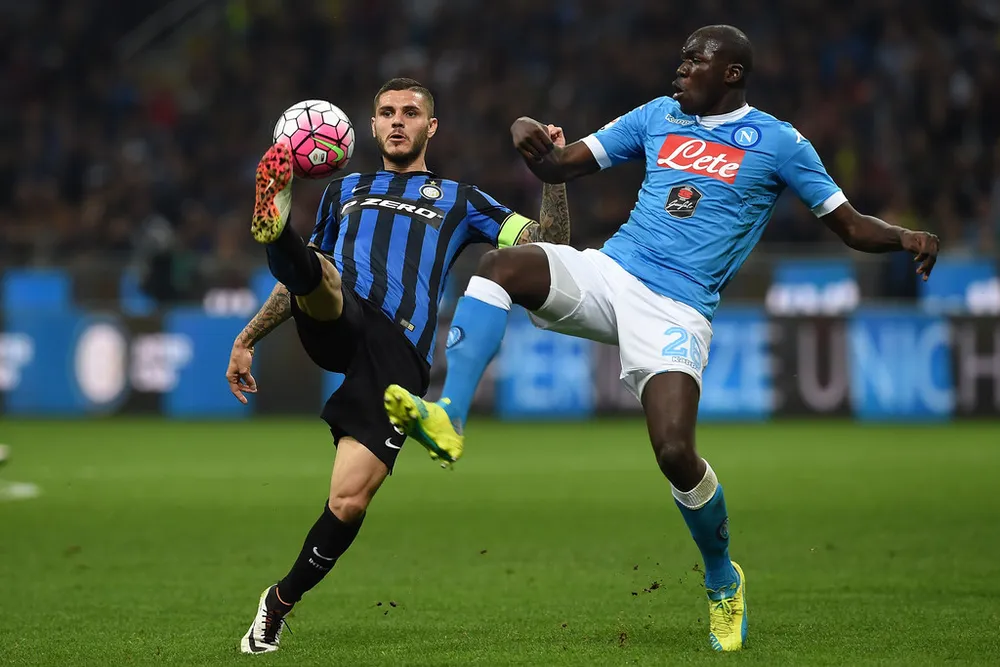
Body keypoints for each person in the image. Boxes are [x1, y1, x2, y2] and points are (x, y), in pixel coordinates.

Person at [384, 27, 940, 652]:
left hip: (678, 308)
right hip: (612, 271)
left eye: (694, 60)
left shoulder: (780, 143)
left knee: (675, 451)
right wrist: (524, 130)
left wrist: (905, 236)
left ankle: (723, 578)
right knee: (497, 267)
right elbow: (558, 164)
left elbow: (851, 226)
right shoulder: (658, 116)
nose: (680, 69)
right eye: (680, 59)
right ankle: (450, 415)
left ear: (731, 74)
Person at [226, 77, 572, 654]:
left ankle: (278, 602)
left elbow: (549, 244)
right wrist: (248, 335)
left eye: (410, 113)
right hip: (339, 317)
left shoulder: (461, 198)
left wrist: (555, 174)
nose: (396, 121)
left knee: (348, 501)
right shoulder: (345, 190)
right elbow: (299, 285)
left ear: (429, 127)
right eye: (386, 112)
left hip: (398, 355)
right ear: (371, 125)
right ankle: (275, 227)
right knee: (321, 273)